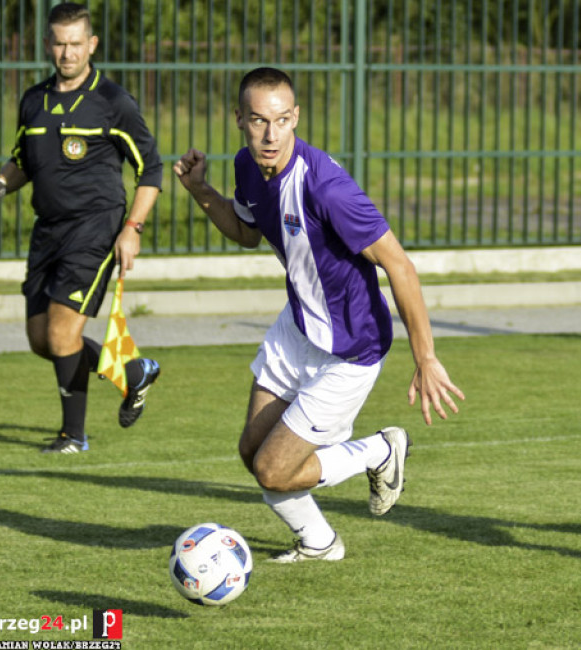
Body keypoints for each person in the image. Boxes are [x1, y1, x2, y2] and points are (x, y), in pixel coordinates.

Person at [173, 67, 464, 561]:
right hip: (300, 326)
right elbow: (247, 234)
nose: (271, 134)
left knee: (274, 470)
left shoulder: (327, 188)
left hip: (350, 348)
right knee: (252, 452)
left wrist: (427, 356)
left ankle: (379, 450)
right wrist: (202, 191)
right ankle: (319, 543)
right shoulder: (248, 165)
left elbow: (401, 267)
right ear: (239, 119)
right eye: (259, 121)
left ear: (296, 118)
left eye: (282, 120)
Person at [0, 2, 162, 454]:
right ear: (47, 45)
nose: (67, 52)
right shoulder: (34, 100)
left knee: (62, 335)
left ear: (91, 45)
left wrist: (131, 227)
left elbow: (150, 168)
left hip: (94, 229)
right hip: (48, 231)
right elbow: (22, 161)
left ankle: (73, 436)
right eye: (59, 43)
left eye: (76, 43)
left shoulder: (113, 102)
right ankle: (133, 372)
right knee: (42, 340)